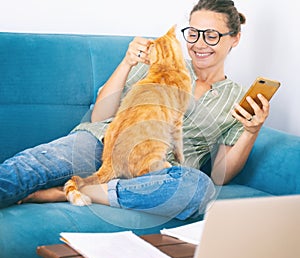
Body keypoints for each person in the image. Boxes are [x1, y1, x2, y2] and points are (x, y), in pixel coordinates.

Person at [0, 0, 270, 221]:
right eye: (193, 33)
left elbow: (221, 171)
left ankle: (87, 191)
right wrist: (127, 63)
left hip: (156, 170)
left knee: (198, 188)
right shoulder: (162, 61)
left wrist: (251, 131)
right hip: (103, 141)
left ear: (234, 38)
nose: (199, 44)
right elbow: (99, 116)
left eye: (211, 35)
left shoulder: (238, 98)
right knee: (24, 170)